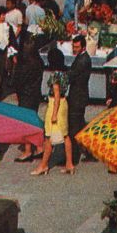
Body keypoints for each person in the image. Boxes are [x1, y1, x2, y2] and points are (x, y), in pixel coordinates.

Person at [33, 46, 74, 176]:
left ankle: (43, 165)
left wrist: (54, 114)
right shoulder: (65, 74)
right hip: (64, 103)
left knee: (49, 136)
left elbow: (56, 95)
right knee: (65, 135)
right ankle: (69, 164)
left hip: (55, 105)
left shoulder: (55, 76)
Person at [13, 33, 46, 164]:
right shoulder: (39, 62)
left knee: (26, 124)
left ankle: (28, 151)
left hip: (26, 95)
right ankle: (39, 147)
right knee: (34, 121)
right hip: (35, 93)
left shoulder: (26, 65)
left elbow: (18, 81)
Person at [67, 34, 92, 163]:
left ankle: (74, 157)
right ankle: (88, 151)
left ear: (83, 47)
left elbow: (72, 75)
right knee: (80, 126)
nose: (74, 49)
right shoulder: (82, 58)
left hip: (77, 97)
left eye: (76, 47)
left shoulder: (83, 60)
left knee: (74, 128)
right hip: (79, 96)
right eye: (73, 46)